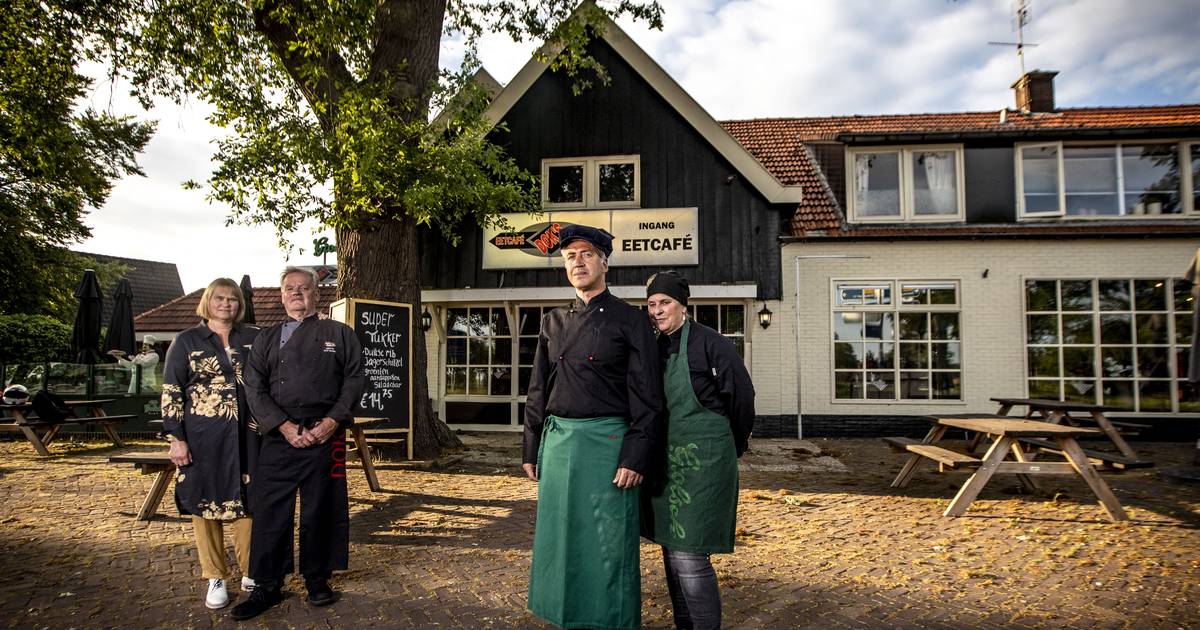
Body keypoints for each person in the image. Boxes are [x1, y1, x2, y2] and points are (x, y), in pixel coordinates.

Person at [523, 224, 665, 630]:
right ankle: (563, 614)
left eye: (587, 254)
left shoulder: (630, 320)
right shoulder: (552, 321)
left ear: (605, 261)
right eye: (570, 256)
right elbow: (538, 389)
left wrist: (635, 455)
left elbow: (648, 398)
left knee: (608, 540)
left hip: (608, 445)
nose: (578, 262)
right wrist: (532, 447)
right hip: (560, 443)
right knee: (560, 536)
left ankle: (612, 620)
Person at [232, 266, 364, 621]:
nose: (296, 293)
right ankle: (267, 584)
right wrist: (284, 426)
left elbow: (354, 379)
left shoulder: (340, 333)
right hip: (278, 436)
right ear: (281, 295)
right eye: (289, 288)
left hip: (327, 434)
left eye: (303, 288)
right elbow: (254, 387)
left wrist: (332, 421)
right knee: (271, 510)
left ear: (317, 293)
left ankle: (317, 578)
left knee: (323, 508)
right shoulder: (266, 338)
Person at [642, 270, 755, 630]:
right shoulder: (654, 348)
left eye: (665, 303)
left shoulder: (712, 343)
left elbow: (742, 398)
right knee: (672, 550)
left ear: (683, 307)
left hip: (706, 460)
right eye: (652, 304)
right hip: (666, 462)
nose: (658, 311)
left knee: (689, 554)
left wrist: (731, 444)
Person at [160, 278, 261, 610]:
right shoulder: (186, 341)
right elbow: (172, 391)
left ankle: (251, 570)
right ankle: (215, 576)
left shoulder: (254, 337)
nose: (226, 303)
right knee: (205, 505)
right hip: (203, 439)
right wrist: (177, 439)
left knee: (250, 502)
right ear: (207, 301)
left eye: (232, 299)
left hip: (249, 436)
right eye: (219, 298)